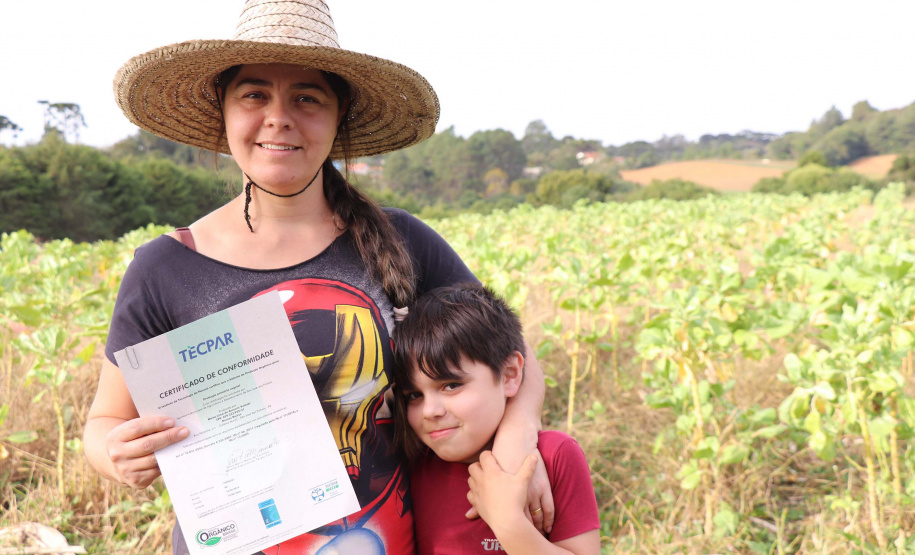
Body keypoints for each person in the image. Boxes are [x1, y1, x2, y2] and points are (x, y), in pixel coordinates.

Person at [82, 1, 552, 553]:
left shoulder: (403, 239)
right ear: (225, 112)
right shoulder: (163, 269)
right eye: (254, 94)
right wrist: (115, 454)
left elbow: (516, 360)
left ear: (339, 115)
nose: (279, 117)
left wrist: (520, 446)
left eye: (307, 98)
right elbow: (105, 421)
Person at [391, 284, 600, 555]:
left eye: (451, 385)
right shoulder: (414, 467)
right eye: (414, 395)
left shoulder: (555, 456)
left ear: (510, 374)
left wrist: (508, 523)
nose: (430, 411)